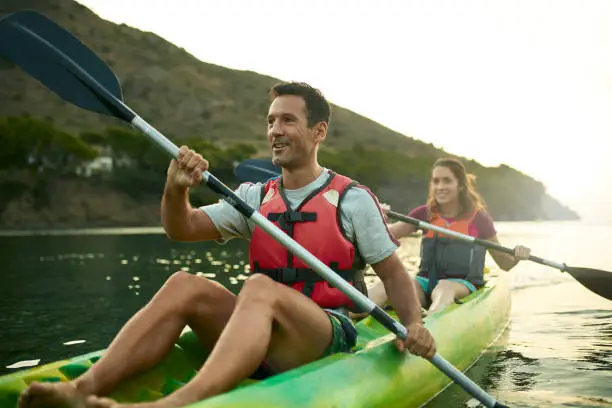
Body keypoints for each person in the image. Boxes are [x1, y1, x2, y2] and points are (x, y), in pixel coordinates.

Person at [18, 82, 436, 408]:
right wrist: (174, 189)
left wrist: (414, 323)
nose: (275, 130)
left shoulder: (351, 198)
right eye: (271, 121)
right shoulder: (254, 197)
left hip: (325, 331)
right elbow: (181, 229)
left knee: (256, 288)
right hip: (261, 328)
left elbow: (393, 275)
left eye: (288, 120)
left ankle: (181, 401)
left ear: (318, 131)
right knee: (185, 283)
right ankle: (82, 389)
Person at [364, 157, 531, 316]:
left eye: (447, 180)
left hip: (460, 286)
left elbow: (504, 263)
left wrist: (516, 255)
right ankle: (344, 318)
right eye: (436, 181)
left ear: (460, 185)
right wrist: (377, 218)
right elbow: (386, 235)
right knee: (389, 286)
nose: (440, 186)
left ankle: (429, 330)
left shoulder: (479, 218)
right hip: (425, 284)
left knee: (444, 288)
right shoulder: (425, 213)